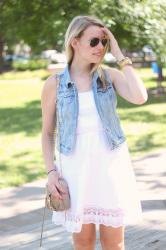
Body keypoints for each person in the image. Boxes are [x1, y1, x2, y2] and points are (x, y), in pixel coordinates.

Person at [41, 15, 148, 250]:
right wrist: (51, 173)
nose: (100, 47)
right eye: (93, 42)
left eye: (104, 42)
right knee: (83, 243)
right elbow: (47, 132)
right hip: (75, 169)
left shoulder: (109, 77)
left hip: (110, 166)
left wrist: (120, 56)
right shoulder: (55, 84)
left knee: (115, 244)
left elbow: (140, 97)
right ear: (74, 42)